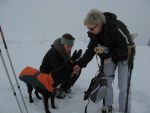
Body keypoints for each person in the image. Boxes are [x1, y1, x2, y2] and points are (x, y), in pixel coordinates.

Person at [73, 9, 135, 113]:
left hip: (125, 56)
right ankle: (107, 106)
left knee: (123, 86)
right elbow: (90, 51)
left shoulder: (117, 27)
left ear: (99, 24)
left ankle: (124, 110)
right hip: (108, 57)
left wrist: (107, 52)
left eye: (91, 28)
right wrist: (79, 64)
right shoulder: (94, 34)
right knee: (106, 81)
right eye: (88, 28)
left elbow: (126, 47)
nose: (89, 30)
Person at [40, 33, 81, 99]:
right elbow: (58, 68)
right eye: (68, 46)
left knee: (77, 68)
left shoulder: (64, 50)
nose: (70, 49)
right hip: (47, 73)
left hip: (57, 70)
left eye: (71, 46)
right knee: (66, 75)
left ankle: (64, 88)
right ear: (63, 44)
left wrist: (75, 61)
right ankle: (61, 91)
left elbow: (65, 65)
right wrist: (70, 62)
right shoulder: (54, 52)